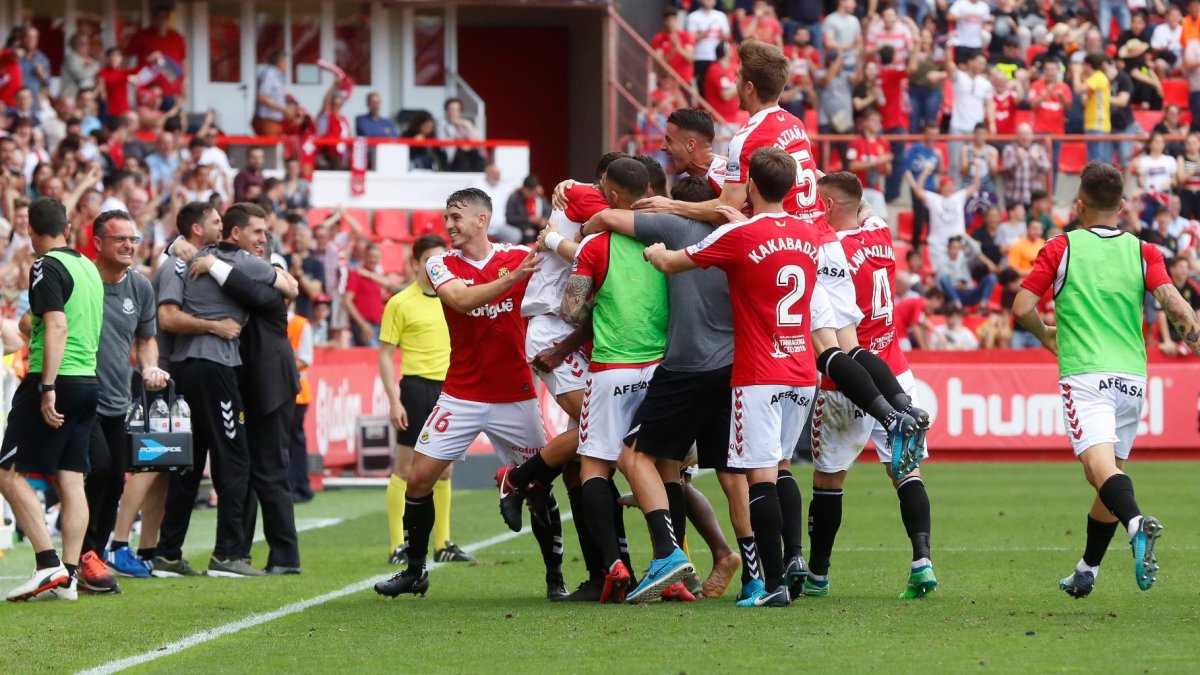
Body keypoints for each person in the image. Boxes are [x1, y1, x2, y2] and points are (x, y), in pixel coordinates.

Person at [1014, 161, 1200, 598]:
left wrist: (1046, 337)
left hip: (1086, 375)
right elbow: (1177, 310)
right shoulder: (1145, 251)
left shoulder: (1061, 247)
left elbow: (1023, 307)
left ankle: (1137, 525)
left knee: (1099, 470)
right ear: (1122, 206)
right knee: (1107, 474)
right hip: (1133, 380)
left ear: (1079, 205)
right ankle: (1087, 569)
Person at [644, 148, 818, 608]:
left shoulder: (740, 236)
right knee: (778, 470)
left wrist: (655, 249)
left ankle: (774, 585)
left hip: (760, 371)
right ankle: (786, 567)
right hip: (803, 371)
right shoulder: (809, 234)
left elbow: (672, 262)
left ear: (751, 188)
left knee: (757, 477)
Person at [373, 188, 546, 599]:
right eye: (446, 217)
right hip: (461, 394)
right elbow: (461, 301)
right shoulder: (440, 264)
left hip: (515, 393)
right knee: (417, 478)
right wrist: (516, 277)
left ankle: (556, 577)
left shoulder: (515, 253)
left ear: (481, 220)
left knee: (541, 487)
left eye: (456, 217)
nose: (448, 225)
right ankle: (415, 571)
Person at [581, 177, 744, 603]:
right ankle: (759, 569)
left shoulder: (678, 229)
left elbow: (605, 216)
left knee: (630, 455)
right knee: (729, 471)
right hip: (740, 368)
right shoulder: (746, 235)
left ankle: (668, 558)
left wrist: (571, 239)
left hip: (684, 366)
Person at [803, 172, 936, 599]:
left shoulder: (830, 250)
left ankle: (819, 574)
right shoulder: (880, 234)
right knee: (907, 473)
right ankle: (922, 562)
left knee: (828, 481)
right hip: (895, 370)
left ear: (825, 206)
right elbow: (864, 207)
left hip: (846, 381)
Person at [551, 158, 666, 604]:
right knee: (660, 467)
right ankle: (670, 563)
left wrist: (596, 301)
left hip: (612, 366)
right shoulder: (666, 232)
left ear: (613, 196)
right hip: (658, 367)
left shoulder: (595, 244)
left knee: (594, 464)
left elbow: (569, 310)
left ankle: (613, 566)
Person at [156, 205, 286, 578]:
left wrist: (177, 247)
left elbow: (169, 307)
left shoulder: (181, 260)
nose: (262, 239)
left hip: (185, 370)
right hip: (215, 369)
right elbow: (288, 285)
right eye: (216, 222)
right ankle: (228, 555)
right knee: (234, 459)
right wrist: (216, 326)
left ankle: (167, 553)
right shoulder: (239, 261)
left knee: (189, 464)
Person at [189, 203, 302, 574]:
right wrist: (184, 251)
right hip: (250, 386)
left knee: (269, 470)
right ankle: (240, 552)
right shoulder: (246, 267)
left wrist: (213, 266)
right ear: (235, 234)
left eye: (266, 233)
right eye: (257, 231)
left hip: (271, 387)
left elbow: (258, 296)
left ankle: (286, 557)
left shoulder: (270, 273)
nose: (263, 239)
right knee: (249, 471)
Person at [0, 197, 102, 602]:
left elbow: (57, 325)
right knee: (71, 476)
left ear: (31, 230)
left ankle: (47, 565)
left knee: (7, 470)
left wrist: (46, 386)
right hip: (87, 380)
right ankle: (70, 578)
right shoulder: (88, 267)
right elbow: (55, 320)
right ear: (67, 225)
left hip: (57, 377)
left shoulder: (46, 264)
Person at [77, 211, 165, 594]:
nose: (129, 245)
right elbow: (36, 320)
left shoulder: (140, 288)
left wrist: (150, 368)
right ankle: (81, 555)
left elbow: (146, 338)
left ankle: (91, 555)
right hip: (81, 395)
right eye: (120, 239)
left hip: (118, 398)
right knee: (98, 471)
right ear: (97, 243)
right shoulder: (79, 279)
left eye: (134, 239)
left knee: (113, 480)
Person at [378, 234, 474, 566]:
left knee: (445, 470)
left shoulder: (454, 297)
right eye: (430, 261)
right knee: (405, 468)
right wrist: (394, 400)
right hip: (417, 389)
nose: (436, 268)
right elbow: (386, 355)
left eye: (441, 261)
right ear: (414, 263)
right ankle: (397, 545)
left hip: (452, 388)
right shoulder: (399, 302)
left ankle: (443, 542)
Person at [909, 171, 982, 274]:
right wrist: (925, 173)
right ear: (941, 187)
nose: (948, 188)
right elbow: (918, 191)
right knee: (941, 274)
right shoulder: (933, 198)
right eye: (945, 186)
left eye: (950, 186)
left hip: (957, 244)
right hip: (938, 245)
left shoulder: (959, 196)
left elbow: (975, 186)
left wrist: (977, 168)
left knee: (958, 273)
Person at [945, 52, 996, 179]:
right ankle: (954, 193)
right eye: (979, 62)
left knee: (975, 164)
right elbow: (948, 65)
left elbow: (989, 104)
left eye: (983, 64)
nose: (981, 66)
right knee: (955, 163)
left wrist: (992, 123)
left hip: (976, 130)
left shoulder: (985, 83)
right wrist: (948, 47)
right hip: (958, 126)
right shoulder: (959, 77)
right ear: (970, 62)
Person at [285, 300, 314, 503]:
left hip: (297, 392)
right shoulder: (298, 324)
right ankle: (295, 486)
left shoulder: (300, 324)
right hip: (289, 390)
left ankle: (299, 486)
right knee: (290, 440)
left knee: (293, 439)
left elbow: (305, 358)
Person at [1027, 60, 1072, 190]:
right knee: (1036, 161)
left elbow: (1068, 107)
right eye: (1048, 69)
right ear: (1044, 71)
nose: (1051, 73)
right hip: (1039, 131)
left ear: (1057, 72)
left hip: (1057, 132)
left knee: (1054, 163)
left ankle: (1051, 192)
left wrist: (1061, 97)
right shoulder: (1036, 85)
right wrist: (1045, 95)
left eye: (1053, 70)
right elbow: (1032, 105)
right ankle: (1036, 191)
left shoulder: (1064, 87)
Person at [904, 121, 943, 247]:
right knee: (919, 217)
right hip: (918, 186)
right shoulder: (915, 149)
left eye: (935, 134)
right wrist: (914, 187)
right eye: (930, 134)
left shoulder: (936, 152)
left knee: (932, 217)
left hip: (931, 187)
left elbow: (941, 171)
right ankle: (915, 244)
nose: (933, 137)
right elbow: (907, 169)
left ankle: (929, 244)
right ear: (924, 134)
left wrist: (940, 158)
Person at [343, 244, 388, 347]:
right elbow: (347, 301)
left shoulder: (376, 276)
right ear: (365, 256)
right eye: (370, 256)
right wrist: (363, 324)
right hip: (364, 325)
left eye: (376, 257)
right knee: (375, 355)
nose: (373, 260)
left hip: (377, 325)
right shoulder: (356, 274)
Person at [1155, 256, 1200, 357]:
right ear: (1172, 269)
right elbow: (1161, 314)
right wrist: (1167, 340)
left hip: (1189, 330)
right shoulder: (1164, 287)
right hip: (1171, 331)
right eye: (1181, 267)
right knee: (1167, 348)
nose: (1184, 270)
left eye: (1186, 267)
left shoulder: (1193, 287)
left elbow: (1198, 313)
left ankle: (1184, 346)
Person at [1001, 123, 1053, 208]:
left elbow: (1047, 169)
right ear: (1017, 136)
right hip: (1014, 198)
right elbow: (1006, 171)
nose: (1025, 137)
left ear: (1032, 135)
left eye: (1027, 134)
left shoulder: (1038, 149)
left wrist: (1037, 161)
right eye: (1022, 134)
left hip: (1033, 198)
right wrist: (1017, 160)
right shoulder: (1009, 149)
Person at [1074, 53, 1112, 165]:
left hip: (1097, 124)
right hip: (1094, 124)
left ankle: (1098, 183)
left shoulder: (1098, 77)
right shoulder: (1096, 78)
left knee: (1096, 162)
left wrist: (1076, 73)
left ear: (1088, 65)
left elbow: (1077, 89)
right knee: (1095, 160)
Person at [687, 0, 729, 97]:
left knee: (719, 87)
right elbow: (689, 40)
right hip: (700, 57)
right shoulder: (692, 17)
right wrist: (701, 35)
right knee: (703, 88)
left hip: (718, 58)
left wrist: (723, 35)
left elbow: (728, 36)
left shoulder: (721, 16)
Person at [652, 9, 696, 85]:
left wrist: (678, 48)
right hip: (666, 82)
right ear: (664, 21)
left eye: (673, 20)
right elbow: (658, 63)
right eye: (668, 20)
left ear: (676, 20)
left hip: (684, 81)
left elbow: (690, 59)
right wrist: (672, 52)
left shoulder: (686, 36)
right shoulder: (659, 38)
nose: (670, 23)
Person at [504, 175, 550, 244]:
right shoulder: (514, 198)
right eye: (529, 191)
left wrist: (545, 220)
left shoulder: (538, 197)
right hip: (521, 228)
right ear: (523, 189)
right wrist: (528, 220)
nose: (531, 193)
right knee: (528, 235)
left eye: (533, 190)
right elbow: (509, 219)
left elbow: (549, 211)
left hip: (538, 228)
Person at [254, 51, 288, 136]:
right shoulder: (269, 75)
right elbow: (262, 97)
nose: (286, 65)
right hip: (268, 119)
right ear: (280, 62)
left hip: (276, 120)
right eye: (285, 62)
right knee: (270, 147)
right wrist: (284, 109)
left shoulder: (278, 76)